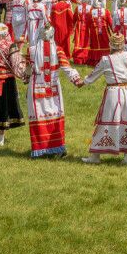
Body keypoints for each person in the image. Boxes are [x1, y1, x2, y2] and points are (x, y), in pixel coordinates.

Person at [76, 33, 127, 164]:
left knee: (105, 121)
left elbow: (93, 75)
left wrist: (82, 82)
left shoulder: (106, 60)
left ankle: (95, 156)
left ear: (111, 45)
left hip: (113, 93)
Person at [23, 26, 79, 158]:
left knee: (38, 116)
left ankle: (39, 149)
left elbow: (27, 70)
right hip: (53, 88)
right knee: (55, 116)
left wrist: (25, 78)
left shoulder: (31, 50)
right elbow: (67, 68)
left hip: (36, 88)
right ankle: (58, 148)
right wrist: (77, 80)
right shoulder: (58, 50)